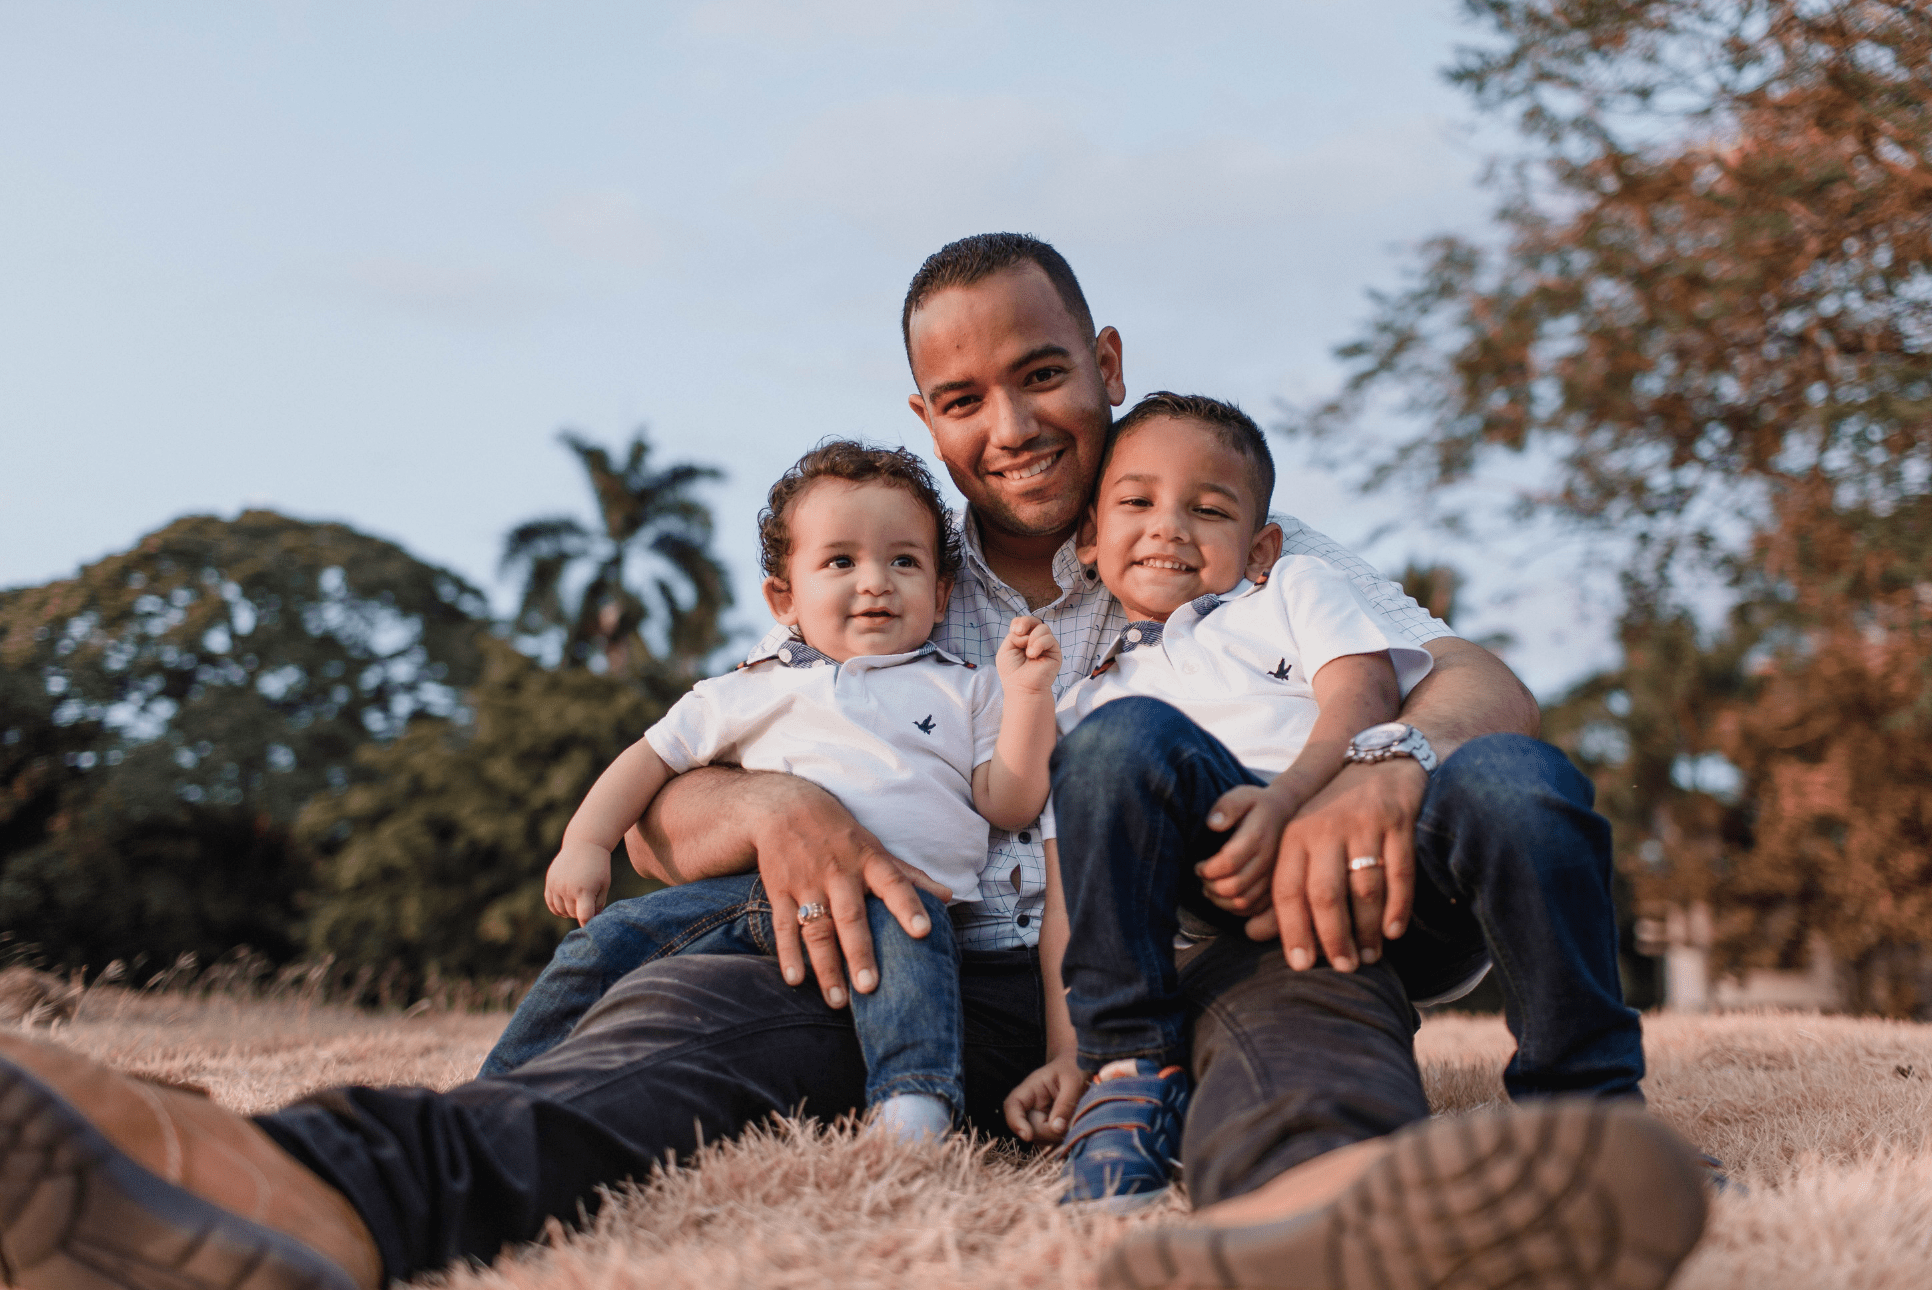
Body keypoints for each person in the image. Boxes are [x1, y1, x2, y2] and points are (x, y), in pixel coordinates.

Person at [0, 232, 1706, 1290]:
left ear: (1104, 366)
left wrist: (1386, 765)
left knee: (1292, 993)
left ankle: (1317, 1218)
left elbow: (1473, 673)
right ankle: (293, 1187)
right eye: (961, 399)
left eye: (1044, 375)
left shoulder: (1213, 525)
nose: (1012, 424)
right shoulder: (876, 568)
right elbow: (679, 782)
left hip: (1168, 950)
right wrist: (774, 804)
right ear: (924, 412)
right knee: (678, 1031)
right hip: (902, 960)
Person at [475, 439, 1077, 1144]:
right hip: (758, 894)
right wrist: (587, 842)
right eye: (841, 562)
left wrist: (1029, 696)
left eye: (904, 561)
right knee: (606, 941)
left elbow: (1007, 803)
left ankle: (914, 1110)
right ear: (782, 597)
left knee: (913, 964)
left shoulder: (967, 687)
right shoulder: (752, 684)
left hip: (908, 898)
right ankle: (492, 1093)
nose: (876, 581)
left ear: (941, 592)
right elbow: (648, 760)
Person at [1032, 392, 1433, 1207]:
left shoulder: (1287, 593)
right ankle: (1128, 1072)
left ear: (1261, 547)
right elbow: (1072, 892)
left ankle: (1332, 1192)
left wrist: (1296, 797)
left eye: (1206, 510)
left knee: (1312, 1051)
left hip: (1325, 840)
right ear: (1089, 540)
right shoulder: (1084, 703)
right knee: (1114, 742)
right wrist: (1068, 1050)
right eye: (1136, 502)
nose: (1170, 527)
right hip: (1193, 911)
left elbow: (1363, 688)